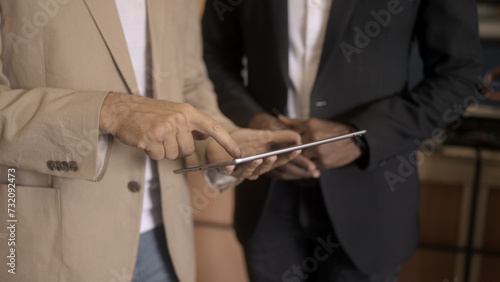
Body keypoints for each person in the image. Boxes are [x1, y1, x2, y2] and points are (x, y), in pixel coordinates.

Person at [0, 0, 301, 281]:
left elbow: (190, 83)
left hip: (167, 243)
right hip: (46, 246)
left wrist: (220, 139)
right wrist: (110, 112)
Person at [202, 0, 483, 280]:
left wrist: (361, 136)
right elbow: (211, 59)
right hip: (267, 194)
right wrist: (257, 123)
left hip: (372, 197)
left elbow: (459, 74)